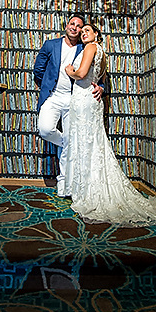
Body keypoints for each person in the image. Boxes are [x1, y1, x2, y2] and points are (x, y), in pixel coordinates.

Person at [63, 23, 156, 225]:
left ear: (96, 34)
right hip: (90, 100)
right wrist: (98, 85)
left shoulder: (91, 47)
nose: (83, 34)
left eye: (87, 30)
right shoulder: (102, 53)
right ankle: (90, 186)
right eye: (82, 33)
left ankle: (89, 191)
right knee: (92, 143)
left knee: (85, 143)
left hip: (83, 100)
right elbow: (101, 77)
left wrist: (69, 70)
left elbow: (81, 74)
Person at [33, 14, 103, 196]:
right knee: (45, 129)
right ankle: (68, 143)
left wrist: (101, 87)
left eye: (79, 26)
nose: (75, 27)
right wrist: (48, 84)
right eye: (72, 23)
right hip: (53, 96)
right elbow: (38, 70)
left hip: (74, 99)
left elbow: (97, 70)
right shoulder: (51, 44)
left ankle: (64, 185)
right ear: (67, 25)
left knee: (69, 141)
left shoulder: (85, 46)